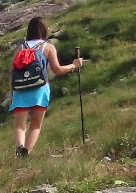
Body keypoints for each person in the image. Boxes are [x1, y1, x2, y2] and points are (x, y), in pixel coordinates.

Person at [10, 16, 83, 158]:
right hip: (40, 89)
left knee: (20, 126)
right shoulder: (48, 47)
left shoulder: (20, 47)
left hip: (20, 90)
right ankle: (26, 152)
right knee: (36, 125)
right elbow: (57, 70)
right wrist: (74, 65)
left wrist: (12, 91)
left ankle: (19, 147)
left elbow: (12, 71)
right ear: (44, 29)